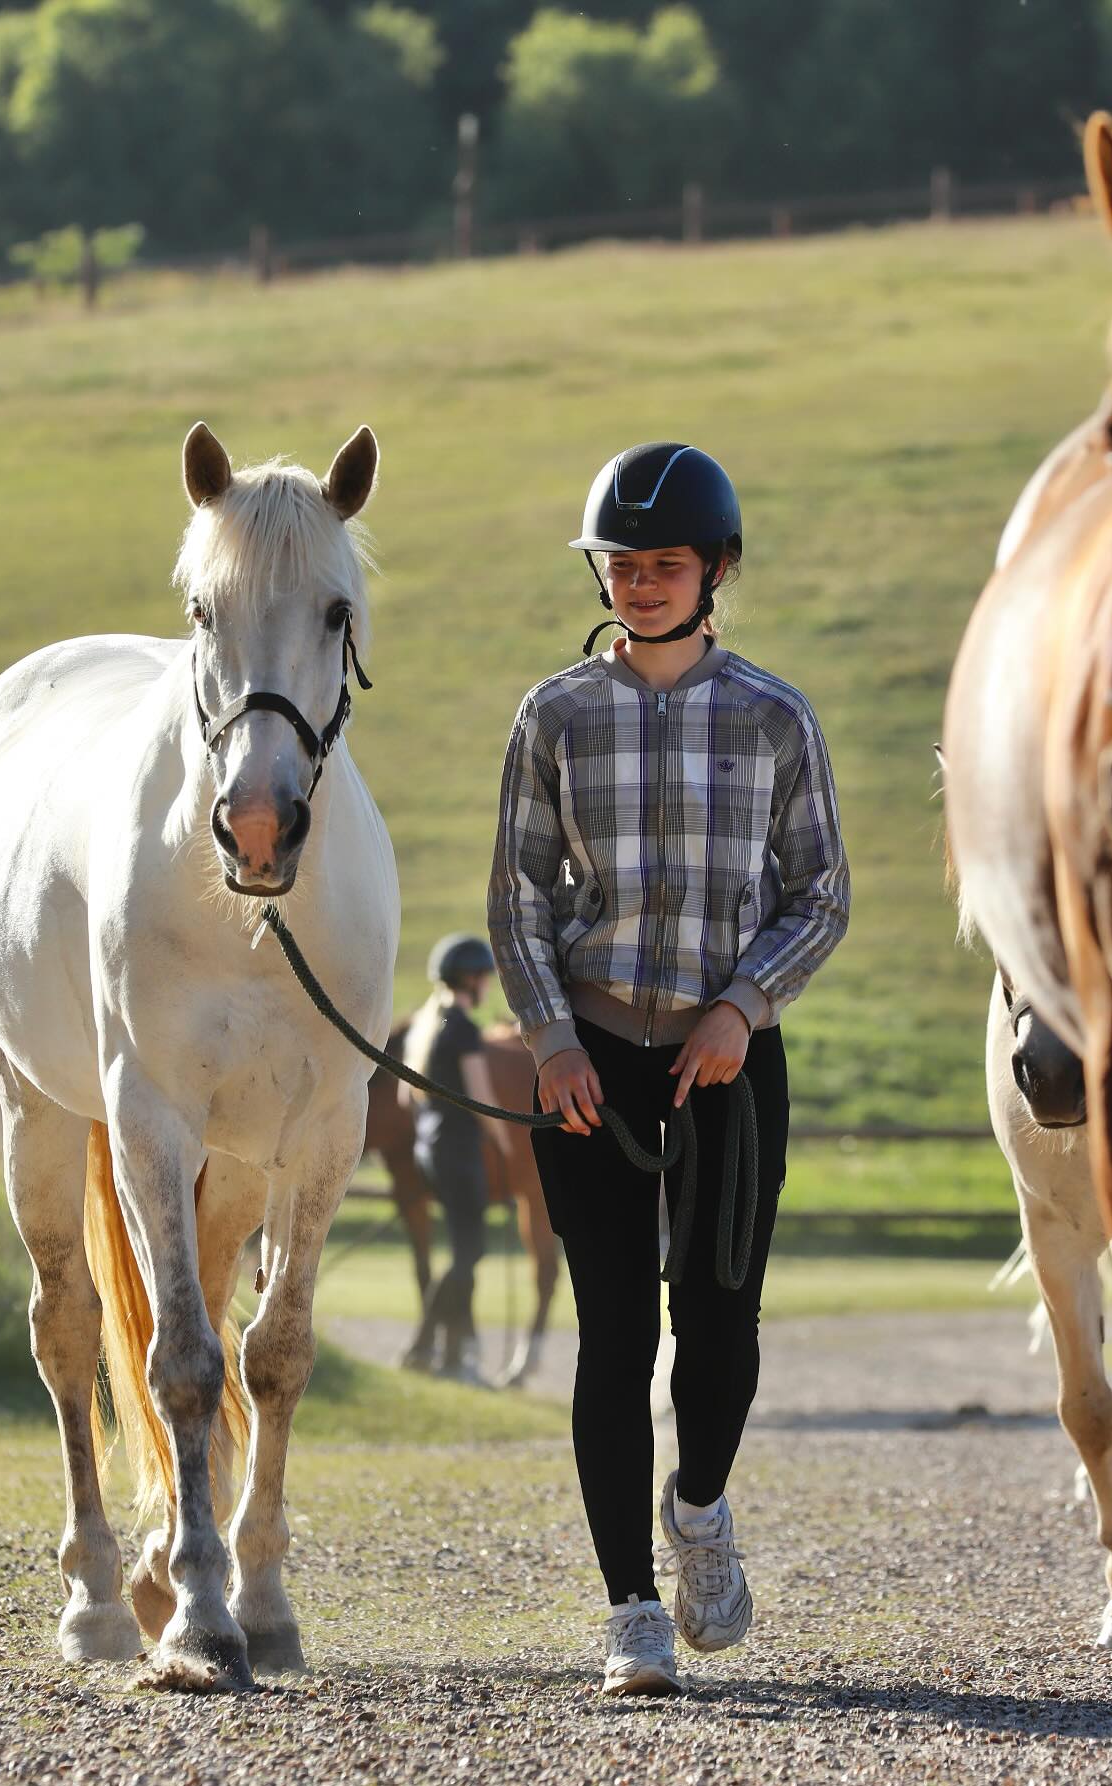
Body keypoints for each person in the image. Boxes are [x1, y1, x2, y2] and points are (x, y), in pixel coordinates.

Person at [487, 442, 849, 1696]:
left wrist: (744, 1008)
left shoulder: (774, 716)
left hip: (727, 1070)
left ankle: (698, 1508)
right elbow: (518, 900)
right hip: (589, 1068)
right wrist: (548, 1038)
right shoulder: (553, 717)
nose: (640, 585)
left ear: (718, 570)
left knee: (720, 1329)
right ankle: (630, 1609)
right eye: (622, 565)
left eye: (665, 565)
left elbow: (823, 894)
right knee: (611, 1333)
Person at [399, 934, 511, 1382]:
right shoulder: (463, 1028)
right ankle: (430, 1348)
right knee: (469, 1252)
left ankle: (441, 1351)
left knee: (463, 1253)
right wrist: (503, 1141)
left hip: (431, 1151)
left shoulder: (426, 1024)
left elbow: (409, 1100)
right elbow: (481, 1098)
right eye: (484, 976)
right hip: (460, 1154)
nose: (486, 984)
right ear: (471, 978)